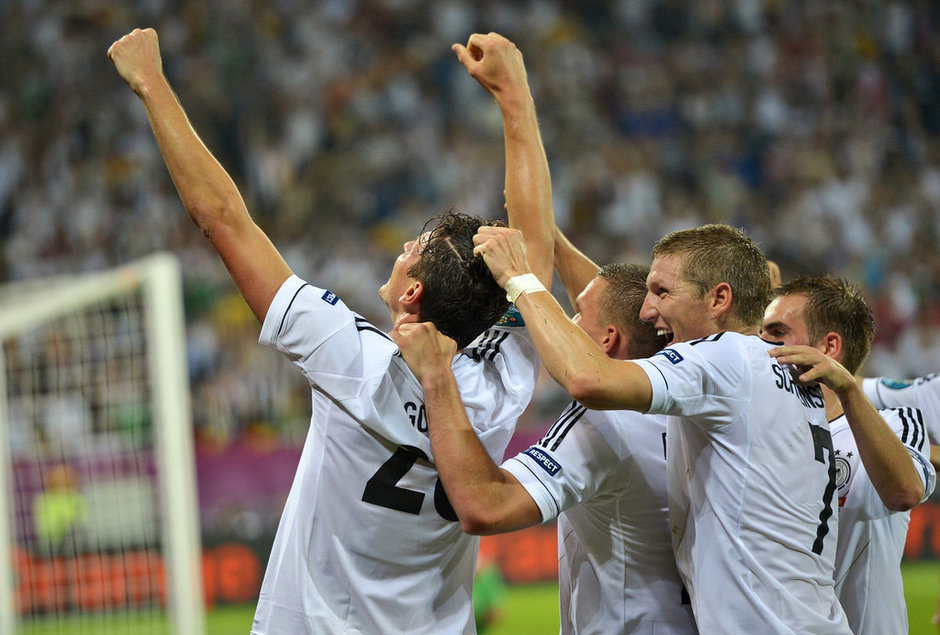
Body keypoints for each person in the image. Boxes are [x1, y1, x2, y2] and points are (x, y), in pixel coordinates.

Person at [108, 28, 555, 634]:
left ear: (412, 293)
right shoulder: (504, 379)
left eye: (413, 249)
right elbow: (536, 271)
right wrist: (515, 100)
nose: (401, 246)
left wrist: (151, 83)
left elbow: (222, 218)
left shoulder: (350, 356)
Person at [468, 222, 851, 632]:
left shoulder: (726, 359)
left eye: (663, 292)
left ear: (720, 298)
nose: (648, 311)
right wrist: (554, 241)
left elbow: (590, 376)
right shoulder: (777, 367)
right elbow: (620, 329)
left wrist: (518, 278)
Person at [393, 227, 695, 633]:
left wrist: (437, 378)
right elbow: (618, 302)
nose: (563, 324)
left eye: (575, 318)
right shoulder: (694, 400)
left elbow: (486, 506)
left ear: (607, 340)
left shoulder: (605, 423)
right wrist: (546, 235)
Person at [762, 276, 935, 633]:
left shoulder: (896, 425)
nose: (762, 344)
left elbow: (904, 492)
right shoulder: (758, 433)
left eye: (777, 332)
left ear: (829, 347)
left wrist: (849, 391)